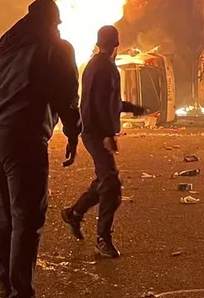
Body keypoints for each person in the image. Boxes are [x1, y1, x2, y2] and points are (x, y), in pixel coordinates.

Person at [0, 0, 81, 298]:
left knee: (4, 215)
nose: (57, 28)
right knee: (27, 218)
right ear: (51, 22)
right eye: (55, 23)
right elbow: (66, 94)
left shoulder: (6, 49)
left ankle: (6, 287)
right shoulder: (55, 47)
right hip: (24, 137)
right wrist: (73, 132)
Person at [61, 26, 146, 259]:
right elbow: (97, 104)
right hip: (96, 133)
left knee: (102, 180)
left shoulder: (95, 65)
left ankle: (74, 213)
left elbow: (108, 101)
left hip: (94, 131)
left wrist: (132, 108)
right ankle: (103, 239)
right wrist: (107, 134)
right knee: (111, 185)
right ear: (117, 43)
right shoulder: (104, 66)